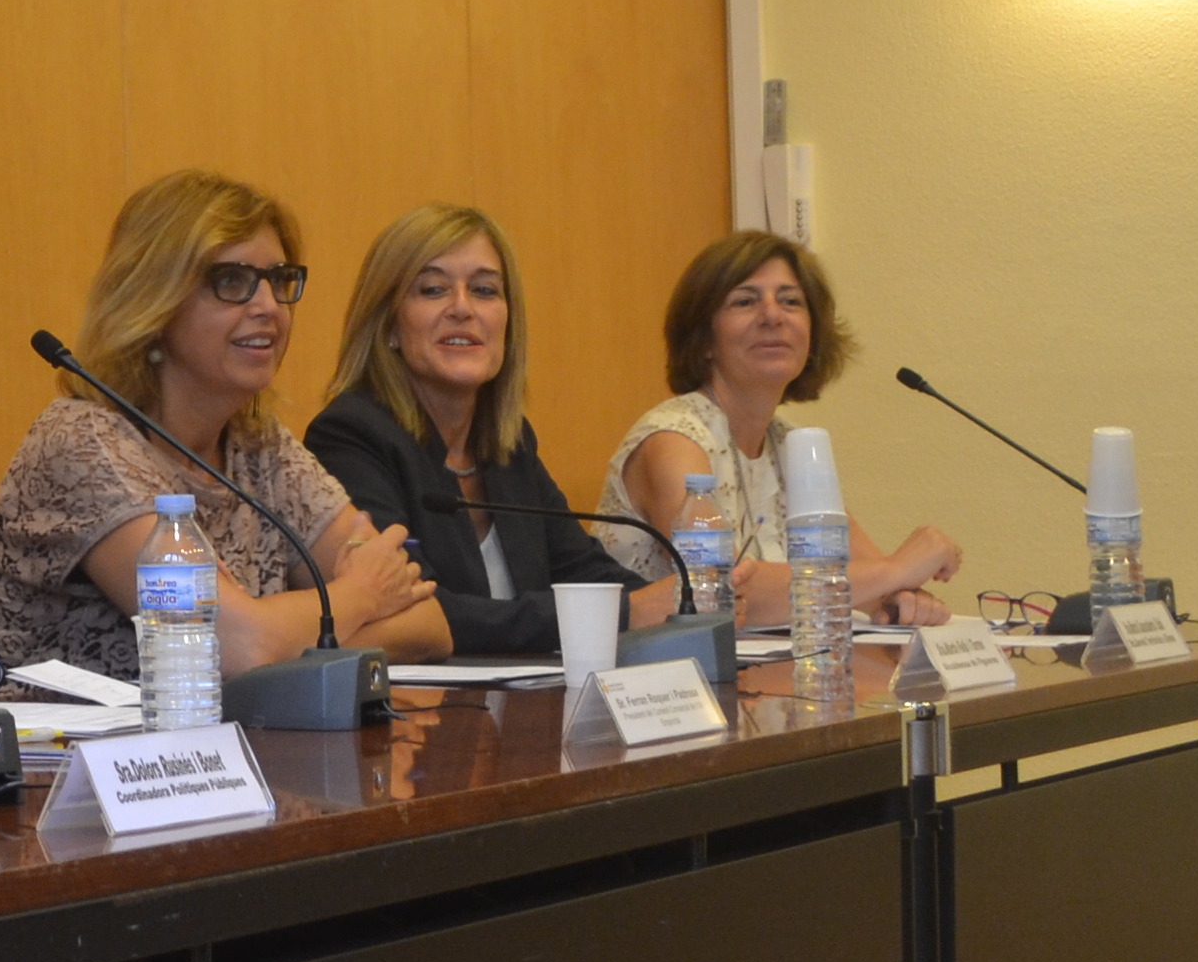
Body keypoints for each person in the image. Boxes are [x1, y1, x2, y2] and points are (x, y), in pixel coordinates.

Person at [0, 170, 448, 683]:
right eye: (232, 282)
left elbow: (429, 625)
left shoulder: (259, 443)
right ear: (154, 300)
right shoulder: (83, 445)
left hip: (230, 731)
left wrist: (281, 638)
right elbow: (234, 647)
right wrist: (361, 595)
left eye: (278, 280)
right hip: (74, 737)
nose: (269, 307)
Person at [302, 204, 650, 659]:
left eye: (484, 290)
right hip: (418, 702)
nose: (462, 308)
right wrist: (623, 613)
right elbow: (421, 607)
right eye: (433, 290)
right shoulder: (352, 436)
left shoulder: (509, 443)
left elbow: (583, 570)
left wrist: (682, 601)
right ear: (388, 324)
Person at [595, 229, 957, 624]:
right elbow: (723, 592)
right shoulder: (673, 440)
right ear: (704, 339)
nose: (772, 316)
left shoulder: (789, 444)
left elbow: (872, 583)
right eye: (745, 301)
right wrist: (897, 570)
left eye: (790, 301)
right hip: (663, 663)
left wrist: (900, 597)